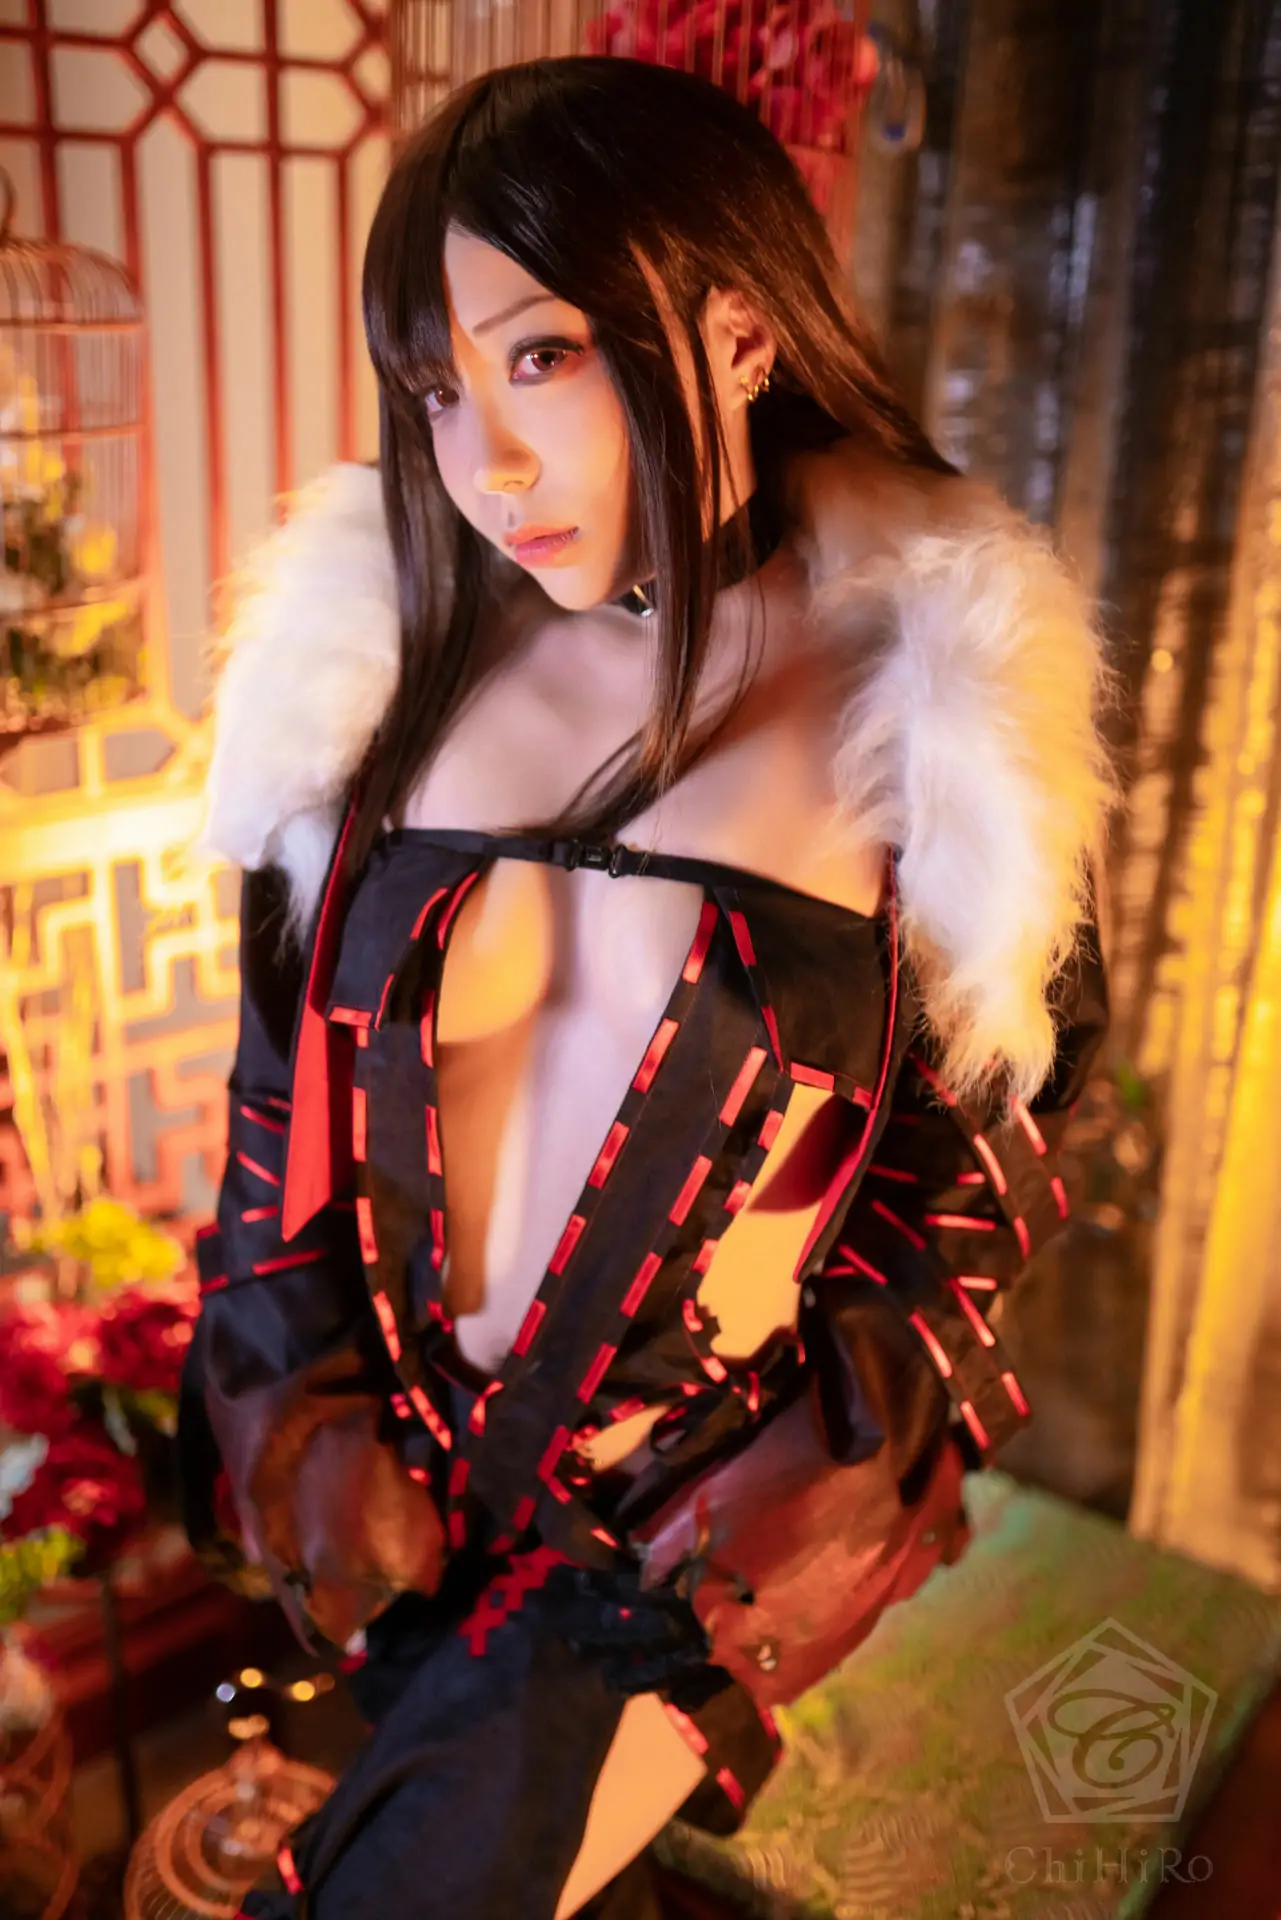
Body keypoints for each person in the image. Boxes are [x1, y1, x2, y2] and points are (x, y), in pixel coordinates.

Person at [179, 53, 1113, 1920]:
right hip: (393, 1482)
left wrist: (794, 1497)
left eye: (542, 357)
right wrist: (301, 1407)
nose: (488, 463)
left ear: (741, 331)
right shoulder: (380, 678)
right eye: (439, 390)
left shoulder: (935, 711)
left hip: (679, 1536)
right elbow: (281, 1105)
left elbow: (976, 1174)